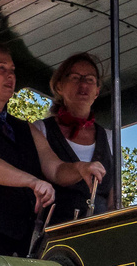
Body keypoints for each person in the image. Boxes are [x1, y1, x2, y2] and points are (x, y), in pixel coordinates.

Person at [0, 43, 100, 266]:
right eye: (1, 68)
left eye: (13, 70)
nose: (10, 76)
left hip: (26, 242)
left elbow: (55, 169)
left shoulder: (26, 129)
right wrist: (33, 182)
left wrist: (80, 168)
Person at [35, 52, 116, 224]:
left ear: (97, 92)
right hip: (52, 235)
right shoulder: (41, 130)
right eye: (75, 77)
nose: (83, 84)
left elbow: (113, 201)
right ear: (59, 87)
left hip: (98, 233)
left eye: (90, 79)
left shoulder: (109, 138)